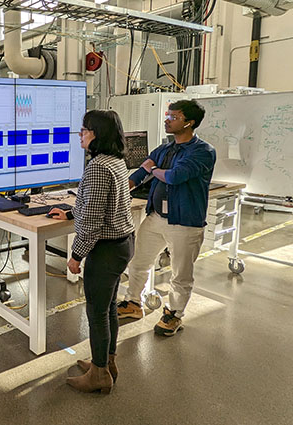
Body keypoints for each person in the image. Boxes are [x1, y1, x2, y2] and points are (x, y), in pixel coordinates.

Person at [49, 110, 135, 393]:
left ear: (95, 134)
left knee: (96, 312)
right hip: (123, 243)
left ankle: (98, 375)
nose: (79, 134)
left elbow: (94, 220)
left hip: (107, 249)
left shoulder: (98, 167)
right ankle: (106, 363)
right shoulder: (116, 162)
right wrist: (71, 212)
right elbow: (95, 205)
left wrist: (76, 255)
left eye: (84, 130)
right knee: (108, 306)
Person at [117, 99, 216, 337]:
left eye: (174, 117)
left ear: (189, 123)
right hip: (156, 216)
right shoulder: (165, 149)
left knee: (180, 274)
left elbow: (174, 176)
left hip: (184, 222)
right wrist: (120, 190)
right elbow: (141, 172)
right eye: (167, 115)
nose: (167, 120)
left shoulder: (203, 151)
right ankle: (133, 303)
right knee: (139, 261)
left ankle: (174, 314)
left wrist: (152, 169)